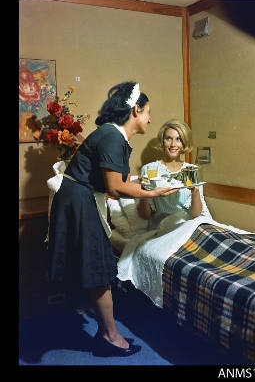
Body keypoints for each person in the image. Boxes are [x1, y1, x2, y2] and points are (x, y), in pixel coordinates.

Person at [47, 81, 177, 357]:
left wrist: (147, 181)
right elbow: (115, 187)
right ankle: (109, 337)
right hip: (79, 200)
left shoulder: (115, 137)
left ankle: (106, 333)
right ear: (136, 110)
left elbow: (122, 178)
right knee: (98, 268)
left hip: (81, 197)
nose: (150, 119)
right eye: (148, 112)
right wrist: (151, 193)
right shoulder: (111, 137)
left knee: (98, 267)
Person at [138, 119, 211, 230]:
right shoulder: (149, 169)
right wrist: (143, 190)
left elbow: (196, 214)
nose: (173, 144)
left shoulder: (191, 170)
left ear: (184, 143)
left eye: (178, 139)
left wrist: (195, 190)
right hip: (162, 228)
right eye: (168, 139)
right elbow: (145, 215)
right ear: (162, 141)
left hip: (187, 226)